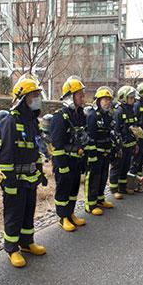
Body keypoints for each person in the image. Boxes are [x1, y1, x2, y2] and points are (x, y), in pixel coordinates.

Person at [0, 74, 48, 268]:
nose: (37, 98)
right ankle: (12, 248)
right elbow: (5, 155)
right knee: (14, 213)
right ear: (23, 98)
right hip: (15, 181)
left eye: (37, 94)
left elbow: (36, 148)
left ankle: (27, 242)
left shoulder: (32, 121)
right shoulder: (11, 122)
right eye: (33, 94)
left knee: (28, 211)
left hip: (30, 179)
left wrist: (40, 171)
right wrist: (8, 182)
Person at [50, 76, 90, 232]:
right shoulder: (60, 117)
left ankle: (70, 213)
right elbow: (57, 144)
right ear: (70, 96)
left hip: (76, 161)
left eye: (82, 94)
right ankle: (63, 217)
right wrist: (62, 166)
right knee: (63, 190)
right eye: (79, 94)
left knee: (73, 189)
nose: (82, 97)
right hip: (64, 161)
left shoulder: (80, 115)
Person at [85, 87, 117, 214]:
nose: (108, 102)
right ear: (98, 101)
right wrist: (91, 154)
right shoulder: (92, 115)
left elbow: (110, 132)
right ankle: (90, 205)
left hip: (106, 151)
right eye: (105, 100)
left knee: (103, 176)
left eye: (109, 100)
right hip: (96, 152)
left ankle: (100, 199)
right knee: (93, 178)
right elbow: (90, 136)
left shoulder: (108, 115)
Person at [109, 85, 139, 198]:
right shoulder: (119, 111)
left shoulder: (132, 110)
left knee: (126, 167)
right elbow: (116, 130)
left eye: (133, 98)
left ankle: (122, 187)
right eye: (130, 97)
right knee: (117, 167)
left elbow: (134, 128)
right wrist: (118, 147)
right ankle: (114, 189)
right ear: (123, 98)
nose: (133, 99)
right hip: (121, 145)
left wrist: (136, 143)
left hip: (130, 144)